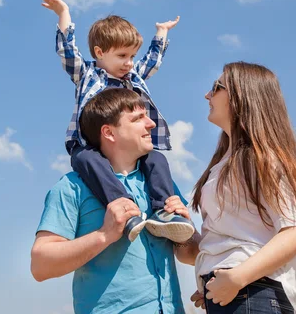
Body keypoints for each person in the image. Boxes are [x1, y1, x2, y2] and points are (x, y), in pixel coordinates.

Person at [40, 0, 194, 243]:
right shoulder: (87, 73)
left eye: (132, 57)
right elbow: (67, 52)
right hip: (90, 145)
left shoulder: (132, 79)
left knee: (156, 159)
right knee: (88, 161)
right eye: (122, 56)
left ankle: (163, 211)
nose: (130, 63)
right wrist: (63, 13)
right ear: (100, 52)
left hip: (125, 145)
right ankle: (124, 208)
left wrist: (162, 33)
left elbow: (152, 62)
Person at [31, 88, 197, 314]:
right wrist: (104, 235)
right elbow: (40, 266)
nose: (150, 124)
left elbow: (189, 255)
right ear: (109, 132)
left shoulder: (163, 185)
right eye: (138, 119)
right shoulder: (71, 187)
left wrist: (185, 236)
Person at [183, 62, 296, 313]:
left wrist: (237, 277)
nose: (207, 95)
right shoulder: (222, 164)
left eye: (216, 87)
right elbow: (229, 240)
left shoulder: (263, 158)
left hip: (253, 292)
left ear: (242, 96)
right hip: (241, 293)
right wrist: (212, 272)